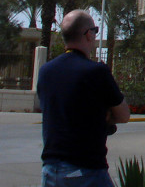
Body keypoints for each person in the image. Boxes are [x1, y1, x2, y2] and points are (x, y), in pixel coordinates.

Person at [36, 9, 129, 187]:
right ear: (88, 35)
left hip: (50, 170)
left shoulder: (46, 72)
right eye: (94, 30)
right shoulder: (96, 72)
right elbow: (124, 114)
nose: (95, 35)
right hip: (86, 170)